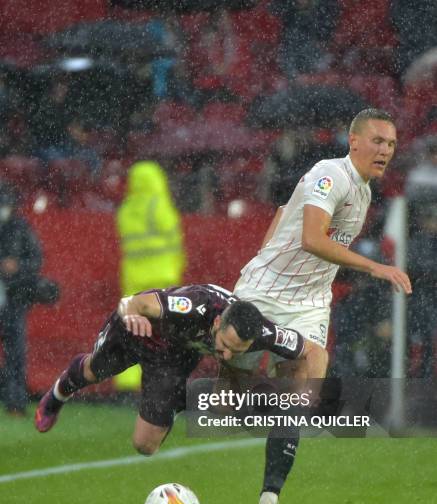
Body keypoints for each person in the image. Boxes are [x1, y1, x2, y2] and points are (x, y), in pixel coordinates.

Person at [227, 108, 412, 504]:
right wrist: (375, 268)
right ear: (354, 141)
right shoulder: (330, 174)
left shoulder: (364, 192)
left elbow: (282, 209)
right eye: (378, 141)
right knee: (229, 395)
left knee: (302, 392)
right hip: (263, 293)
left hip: (308, 303)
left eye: (391, 144)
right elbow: (312, 239)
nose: (386, 150)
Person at [35, 283, 320, 453]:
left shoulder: (264, 333)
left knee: (146, 446)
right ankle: (58, 394)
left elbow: (310, 349)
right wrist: (133, 314)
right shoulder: (195, 306)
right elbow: (131, 302)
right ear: (218, 323)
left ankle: (176, 401)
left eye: (237, 350)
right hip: (139, 331)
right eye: (224, 344)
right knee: (92, 372)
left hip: (173, 357)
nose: (227, 353)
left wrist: (311, 391)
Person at [115, 161, 186, 391]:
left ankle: (128, 382)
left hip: (134, 278)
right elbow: (174, 237)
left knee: (134, 330)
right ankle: (160, 380)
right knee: (162, 334)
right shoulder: (159, 205)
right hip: (161, 277)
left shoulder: (126, 208)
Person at [0, 183, 42, 416]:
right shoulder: (19, 228)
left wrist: (17, 267)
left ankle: (15, 403)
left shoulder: (20, 228)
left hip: (14, 298)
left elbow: (35, 260)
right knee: (14, 352)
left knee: (15, 353)